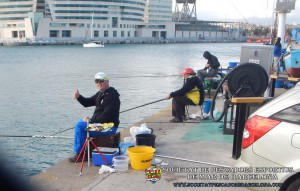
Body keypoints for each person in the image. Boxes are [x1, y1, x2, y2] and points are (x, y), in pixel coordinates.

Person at [68, 72, 121, 162]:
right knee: (81, 123)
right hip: (102, 125)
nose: (98, 83)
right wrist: (78, 97)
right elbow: (87, 102)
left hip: (109, 127)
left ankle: (80, 154)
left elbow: (106, 116)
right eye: (96, 81)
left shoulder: (112, 97)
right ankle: (84, 151)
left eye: (101, 81)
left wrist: (90, 120)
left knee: (80, 126)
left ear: (107, 81)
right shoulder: (101, 93)